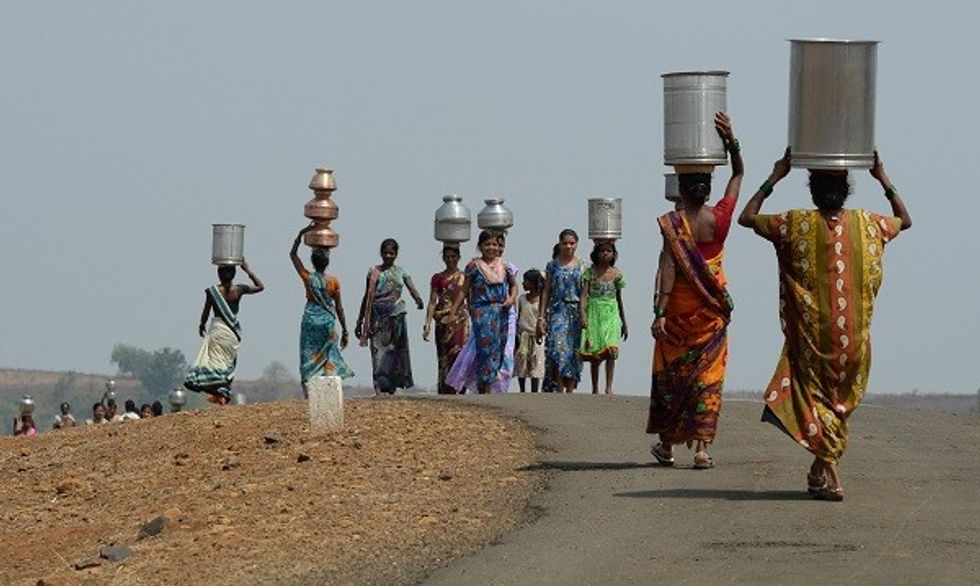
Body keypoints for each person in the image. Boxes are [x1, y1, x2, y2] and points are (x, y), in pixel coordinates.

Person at [737, 148, 911, 501]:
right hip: (854, 346)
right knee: (837, 407)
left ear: (812, 190)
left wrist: (776, 175)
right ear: (847, 189)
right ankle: (820, 471)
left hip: (812, 343)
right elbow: (904, 220)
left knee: (818, 401)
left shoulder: (795, 224)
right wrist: (883, 177)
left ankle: (832, 476)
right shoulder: (869, 224)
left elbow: (746, 217)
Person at [649, 112, 742, 470]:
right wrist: (731, 140)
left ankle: (668, 446)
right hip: (712, 315)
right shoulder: (718, 219)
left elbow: (669, 267)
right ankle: (702, 449)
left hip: (677, 315)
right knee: (708, 377)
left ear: (681, 187)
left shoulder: (674, 224)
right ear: (706, 188)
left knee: (674, 375)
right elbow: (737, 175)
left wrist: (659, 311)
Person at [446, 230, 518, 394]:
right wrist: (454, 311)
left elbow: (514, 285)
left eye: (494, 244)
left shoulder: (505, 266)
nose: (491, 248)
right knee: (485, 349)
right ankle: (483, 386)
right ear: (480, 246)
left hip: (501, 312)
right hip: (482, 312)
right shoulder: (473, 266)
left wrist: (511, 298)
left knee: (498, 350)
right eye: (487, 244)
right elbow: (465, 290)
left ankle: (492, 384)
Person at [184, 260, 264, 404]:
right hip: (231, 333)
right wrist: (247, 270)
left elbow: (206, 312)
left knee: (214, 362)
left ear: (218, 274)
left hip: (218, 331)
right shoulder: (239, 290)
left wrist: (201, 325)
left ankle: (220, 394)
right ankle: (220, 394)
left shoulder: (213, 292)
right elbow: (260, 286)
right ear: (234, 274)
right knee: (226, 364)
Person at [356, 239, 424, 395]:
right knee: (377, 352)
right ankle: (379, 387)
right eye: (385, 253)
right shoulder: (374, 272)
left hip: (396, 317)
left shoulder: (401, 271)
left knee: (393, 352)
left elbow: (411, 287)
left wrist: (418, 299)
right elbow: (367, 296)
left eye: (391, 253)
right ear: (380, 253)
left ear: (396, 254)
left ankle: (391, 386)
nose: (388, 256)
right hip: (377, 317)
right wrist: (359, 321)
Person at [291, 225, 353, 396]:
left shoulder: (308, 278)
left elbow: (293, 256)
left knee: (308, 355)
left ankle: (309, 391)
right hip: (327, 322)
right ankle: (327, 390)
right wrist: (345, 330)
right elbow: (339, 308)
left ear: (312, 262)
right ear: (327, 263)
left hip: (310, 321)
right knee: (328, 354)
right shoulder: (334, 282)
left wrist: (300, 234)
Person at [537, 229, 585, 393]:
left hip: (575, 312)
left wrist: (585, 315)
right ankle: (558, 384)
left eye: (572, 243)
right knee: (557, 348)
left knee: (573, 351)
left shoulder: (582, 266)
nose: (568, 246)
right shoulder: (552, 265)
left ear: (577, 244)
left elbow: (585, 294)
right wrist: (541, 317)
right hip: (557, 310)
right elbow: (547, 291)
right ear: (559, 244)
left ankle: (570, 388)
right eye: (565, 243)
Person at [579, 241, 628, 394]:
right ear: (596, 254)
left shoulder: (617, 274)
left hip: (611, 313)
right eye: (602, 251)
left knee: (611, 350)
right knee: (596, 351)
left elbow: (619, 299)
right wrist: (582, 314)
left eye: (609, 251)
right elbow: (584, 296)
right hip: (594, 311)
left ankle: (609, 387)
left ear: (613, 254)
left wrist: (624, 322)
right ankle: (595, 388)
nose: (605, 254)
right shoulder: (590, 273)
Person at [423, 245, 470, 394]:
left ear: (458, 258)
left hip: (460, 321)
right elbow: (432, 301)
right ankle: (446, 390)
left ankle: (461, 388)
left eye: (453, 257)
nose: (450, 260)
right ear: (443, 258)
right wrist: (427, 323)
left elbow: (469, 299)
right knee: (444, 357)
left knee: (461, 355)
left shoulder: (465, 277)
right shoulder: (438, 278)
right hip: (442, 322)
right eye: (447, 257)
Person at [515, 269, 546, 393]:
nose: (523, 284)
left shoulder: (542, 301)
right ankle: (522, 390)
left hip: (537, 336)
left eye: (526, 281)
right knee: (521, 361)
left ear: (533, 283)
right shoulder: (521, 299)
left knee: (536, 362)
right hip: (523, 335)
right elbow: (518, 316)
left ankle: (534, 391)